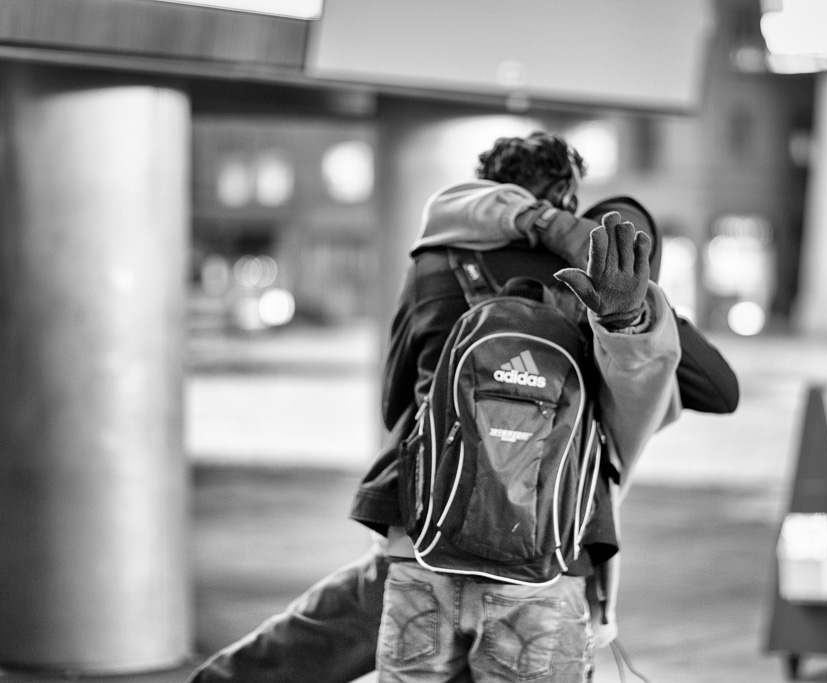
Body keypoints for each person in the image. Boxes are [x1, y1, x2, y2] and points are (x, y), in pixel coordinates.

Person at [189, 132, 739, 683]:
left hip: (423, 544)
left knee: (325, 633)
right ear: (564, 195)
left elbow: (394, 400)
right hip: (546, 557)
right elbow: (719, 390)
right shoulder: (592, 278)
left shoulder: (433, 261)